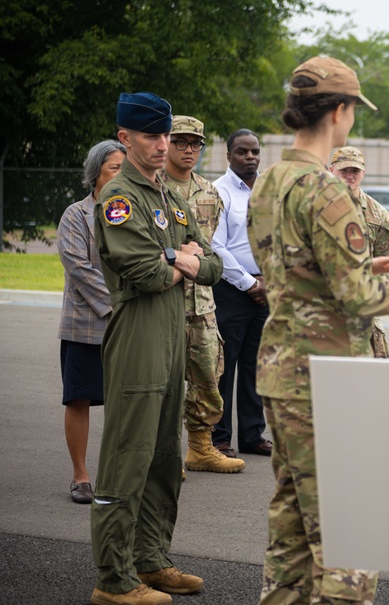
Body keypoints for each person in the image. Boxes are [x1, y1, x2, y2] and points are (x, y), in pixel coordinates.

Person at [247, 55, 389, 604]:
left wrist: (357, 271)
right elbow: (357, 297)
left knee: (291, 522)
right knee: (350, 527)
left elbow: (290, 270)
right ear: (339, 112)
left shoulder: (270, 182)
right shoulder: (328, 190)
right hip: (326, 380)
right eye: (352, 109)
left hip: (282, 373)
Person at [91, 92, 222, 605]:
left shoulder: (169, 198)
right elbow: (144, 272)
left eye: (167, 135)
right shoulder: (119, 199)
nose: (164, 144)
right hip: (138, 338)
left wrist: (184, 258)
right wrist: (180, 259)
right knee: (128, 456)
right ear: (126, 138)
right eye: (153, 136)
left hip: (173, 337)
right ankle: (113, 577)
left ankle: (151, 560)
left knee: (166, 456)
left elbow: (211, 267)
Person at [162, 115, 245, 474]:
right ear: (166, 143)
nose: (188, 150)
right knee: (163, 380)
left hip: (203, 303)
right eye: (180, 142)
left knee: (208, 377)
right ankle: (162, 454)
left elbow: (210, 248)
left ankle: (200, 447)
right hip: (164, 300)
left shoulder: (209, 192)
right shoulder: (152, 186)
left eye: (195, 143)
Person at [57, 140, 124, 504]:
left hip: (126, 324)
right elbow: (78, 267)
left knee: (123, 401)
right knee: (79, 399)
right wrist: (117, 304)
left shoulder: (130, 212)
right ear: (95, 173)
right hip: (86, 323)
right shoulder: (76, 215)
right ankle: (81, 476)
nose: (121, 175)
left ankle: (117, 476)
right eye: (115, 168)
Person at [211, 129, 271, 458]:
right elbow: (216, 246)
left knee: (255, 365)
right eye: (242, 152)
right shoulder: (218, 192)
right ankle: (219, 437)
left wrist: (268, 282)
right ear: (229, 155)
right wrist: (249, 283)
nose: (250, 157)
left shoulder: (267, 191)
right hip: (232, 290)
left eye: (255, 151)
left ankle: (252, 434)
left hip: (265, 289)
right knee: (226, 365)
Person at [328, 145, 389, 357]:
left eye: (355, 171)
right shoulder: (313, 208)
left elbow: (382, 265)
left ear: (363, 173)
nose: (350, 176)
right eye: (344, 171)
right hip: (322, 307)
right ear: (331, 171)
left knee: (371, 376)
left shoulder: (380, 217)